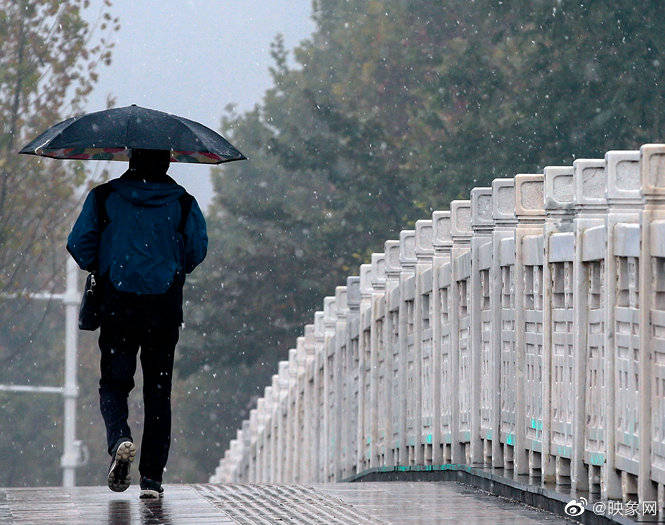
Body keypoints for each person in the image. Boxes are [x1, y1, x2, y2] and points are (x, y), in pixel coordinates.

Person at [66, 148, 207, 498]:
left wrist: (108, 261)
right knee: (158, 392)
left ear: (129, 158)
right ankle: (152, 480)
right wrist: (172, 266)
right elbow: (196, 250)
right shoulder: (184, 203)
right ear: (169, 161)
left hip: (118, 303)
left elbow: (79, 244)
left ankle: (120, 439)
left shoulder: (104, 198)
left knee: (114, 384)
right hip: (163, 307)